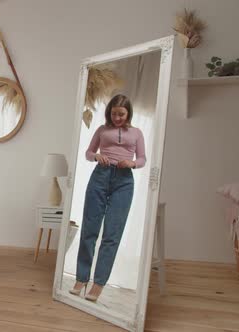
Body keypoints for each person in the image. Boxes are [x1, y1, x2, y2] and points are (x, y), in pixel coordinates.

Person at [69, 94, 146, 302]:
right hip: (100, 177)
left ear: (128, 112)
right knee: (89, 230)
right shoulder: (102, 130)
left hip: (124, 182)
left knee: (112, 234)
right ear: (109, 113)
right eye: (113, 113)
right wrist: (96, 156)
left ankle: (99, 283)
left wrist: (132, 164)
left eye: (121, 114)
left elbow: (142, 158)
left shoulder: (137, 133)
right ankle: (81, 278)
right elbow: (88, 152)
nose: (117, 117)